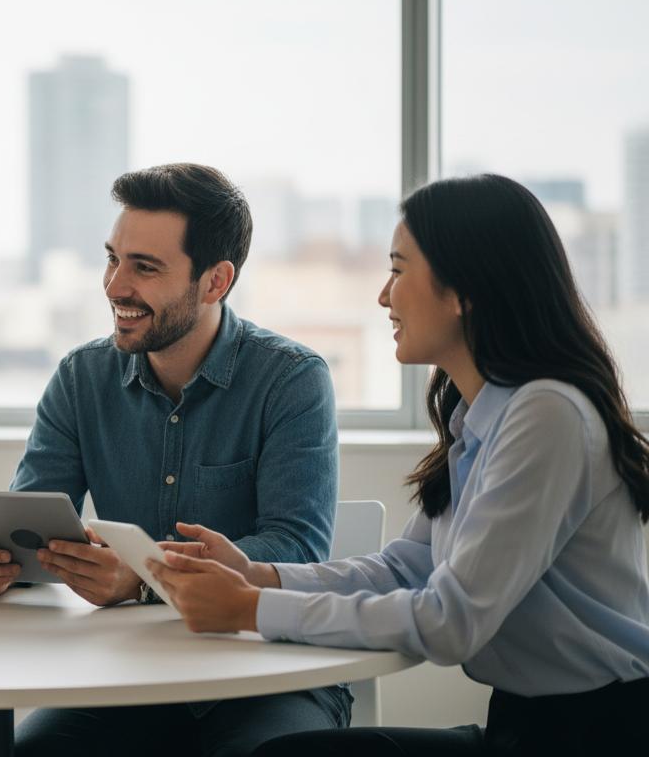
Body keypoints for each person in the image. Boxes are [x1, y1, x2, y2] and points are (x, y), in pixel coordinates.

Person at [144, 174, 649, 756]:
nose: (384, 296)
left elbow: (449, 620)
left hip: (598, 734)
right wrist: (259, 576)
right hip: (526, 724)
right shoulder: (481, 415)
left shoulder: (548, 415)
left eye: (399, 269)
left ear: (464, 290)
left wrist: (251, 609)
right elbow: (408, 566)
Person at [0, 163, 351, 755]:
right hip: (127, 676)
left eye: (144, 267)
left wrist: (142, 576)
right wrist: (0, 563)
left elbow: (296, 548)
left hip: (265, 672)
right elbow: (34, 522)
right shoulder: (81, 378)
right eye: (113, 258)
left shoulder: (291, 380)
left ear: (216, 281)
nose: (114, 285)